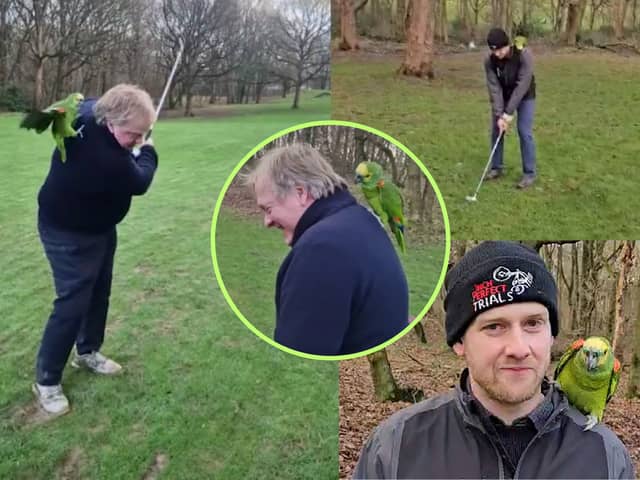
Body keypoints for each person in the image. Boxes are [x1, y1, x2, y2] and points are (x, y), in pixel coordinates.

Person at [353, 241, 635, 479]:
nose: (518, 348)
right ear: (459, 342)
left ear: (551, 336)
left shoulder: (606, 457)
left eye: (533, 323)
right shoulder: (395, 446)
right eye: (494, 327)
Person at [33, 84, 159, 416]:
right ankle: (46, 381)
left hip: (99, 226)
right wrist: (148, 149)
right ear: (111, 122)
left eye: (142, 134)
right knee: (72, 302)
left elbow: (81, 103)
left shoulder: (89, 111)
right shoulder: (107, 158)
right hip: (66, 230)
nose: (136, 139)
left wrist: (135, 135)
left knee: (99, 290)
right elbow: (140, 181)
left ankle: (87, 351)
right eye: (133, 134)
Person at [244, 143, 409, 356]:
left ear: (300, 193)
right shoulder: (360, 219)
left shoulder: (321, 250)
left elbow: (297, 361)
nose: (267, 222)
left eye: (268, 209)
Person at [484, 28, 537, 189]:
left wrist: (508, 113)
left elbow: (522, 85)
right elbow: (495, 89)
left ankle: (529, 173)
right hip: (504, 96)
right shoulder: (490, 61)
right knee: (497, 130)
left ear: (507, 45)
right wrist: (500, 114)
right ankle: (496, 168)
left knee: (524, 131)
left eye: (500, 49)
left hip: (525, 95)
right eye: (494, 51)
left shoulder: (523, 55)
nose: (497, 54)